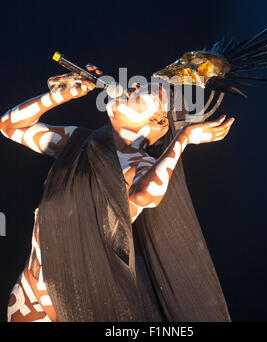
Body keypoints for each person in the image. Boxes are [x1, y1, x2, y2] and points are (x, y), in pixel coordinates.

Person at [1, 65, 235, 322]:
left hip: (83, 307)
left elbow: (146, 196)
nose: (132, 85)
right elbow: (8, 126)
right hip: (28, 298)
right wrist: (60, 95)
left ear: (159, 121)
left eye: (145, 90)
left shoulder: (140, 165)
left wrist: (182, 139)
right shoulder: (78, 142)